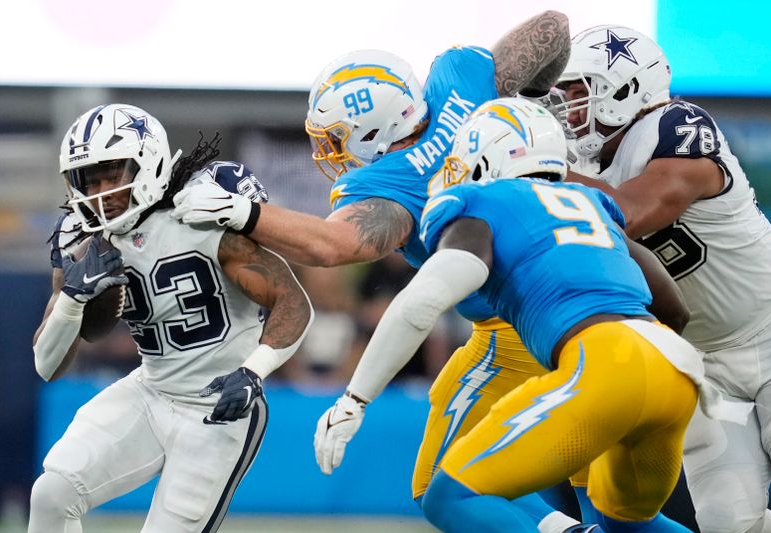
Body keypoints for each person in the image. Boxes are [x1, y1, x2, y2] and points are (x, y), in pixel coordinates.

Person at [171, 10, 588, 529]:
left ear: (375, 128)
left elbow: (331, 245)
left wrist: (246, 212)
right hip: (594, 270)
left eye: (337, 138)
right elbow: (552, 28)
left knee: (443, 485)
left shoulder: (392, 187)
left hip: (517, 325)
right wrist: (528, 101)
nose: (331, 153)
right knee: (607, 494)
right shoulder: (460, 76)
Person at [337, 96, 742, 533]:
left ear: (484, 157)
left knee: (448, 495)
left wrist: (355, 398)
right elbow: (673, 308)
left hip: (607, 365)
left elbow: (421, 305)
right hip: (674, 370)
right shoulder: (591, 203)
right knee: (628, 525)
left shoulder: (480, 202)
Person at [554, 24, 771, 533]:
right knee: (728, 522)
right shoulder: (573, 161)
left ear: (625, 90)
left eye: (581, 93)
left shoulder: (676, 125)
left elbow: (632, 210)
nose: (570, 110)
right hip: (703, 363)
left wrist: (530, 171)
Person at [29, 104, 313, 533]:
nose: (102, 191)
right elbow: (46, 365)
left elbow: (293, 301)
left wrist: (254, 371)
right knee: (51, 493)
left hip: (216, 409)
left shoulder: (200, 214)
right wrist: (72, 298)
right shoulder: (82, 237)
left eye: (113, 174)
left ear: (147, 164)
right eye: (91, 179)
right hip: (151, 391)